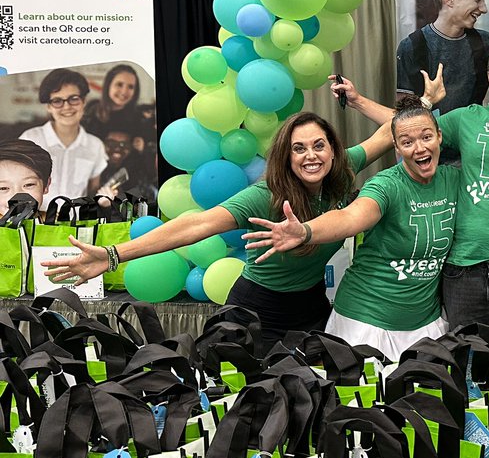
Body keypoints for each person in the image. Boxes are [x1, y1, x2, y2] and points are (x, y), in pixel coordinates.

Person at [44, 111, 396, 348]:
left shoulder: (342, 172)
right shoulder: (266, 196)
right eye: (298, 149)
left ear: (333, 150)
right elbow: (196, 223)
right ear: (286, 157)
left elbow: (393, 130)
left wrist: (409, 104)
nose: (311, 156)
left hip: (312, 308)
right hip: (258, 312)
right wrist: (112, 255)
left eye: (319, 145)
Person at [337, 44, 489, 368]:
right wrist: (360, 101)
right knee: (465, 371)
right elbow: (409, 129)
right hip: (464, 272)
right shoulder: (468, 118)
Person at [245, 94, 462, 360]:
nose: (419, 148)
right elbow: (350, 217)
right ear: (396, 147)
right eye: (407, 142)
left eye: (427, 137)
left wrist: (425, 101)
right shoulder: (386, 185)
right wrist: (306, 231)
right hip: (364, 323)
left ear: (440, 137)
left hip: (425, 325)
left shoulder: (454, 180)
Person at [396, 0, 489, 115]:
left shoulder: (485, 43)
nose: (484, 9)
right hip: (427, 129)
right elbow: (403, 115)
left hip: (471, 129)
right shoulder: (412, 46)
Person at [19, 68, 108, 207]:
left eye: (74, 99)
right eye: (57, 101)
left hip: (77, 219)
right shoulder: (30, 139)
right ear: (48, 106)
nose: (66, 107)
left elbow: (93, 190)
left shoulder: (95, 146)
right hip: (38, 217)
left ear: (84, 101)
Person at [82, 64, 153, 146]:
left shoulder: (139, 118)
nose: (124, 92)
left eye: (130, 87)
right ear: (108, 85)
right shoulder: (91, 111)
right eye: (119, 84)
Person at [0, 139, 53, 213]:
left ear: (46, 185)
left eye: (29, 185)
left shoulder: (57, 219)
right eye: (3, 188)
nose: (17, 197)